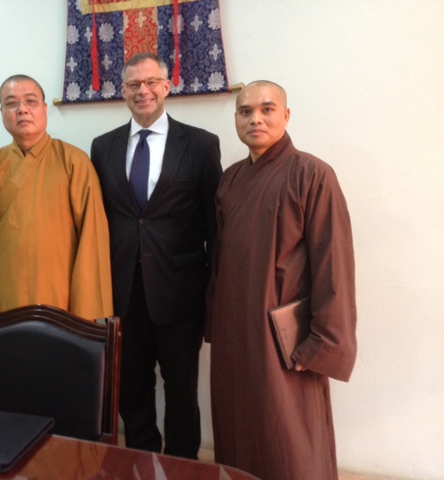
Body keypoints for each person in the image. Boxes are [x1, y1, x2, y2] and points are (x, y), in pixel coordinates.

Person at [206, 80, 357, 479]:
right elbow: (219, 260)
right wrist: (214, 324)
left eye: (267, 109)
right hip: (235, 331)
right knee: (238, 430)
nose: (255, 118)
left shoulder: (313, 174)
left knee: (289, 436)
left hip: (285, 338)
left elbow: (334, 262)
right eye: (245, 112)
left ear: (286, 116)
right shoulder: (230, 179)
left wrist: (323, 341)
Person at [91, 53, 222, 459]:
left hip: (180, 292)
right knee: (131, 390)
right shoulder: (103, 146)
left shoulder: (200, 144)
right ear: (123, 91)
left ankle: (183, 465)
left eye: (151, 82)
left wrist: (213, 296)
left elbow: (213, 229)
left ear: (167, 86)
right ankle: (141, 462)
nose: (142, 91)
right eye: (133, 84)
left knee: (182, 390)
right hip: (122, 293)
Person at [0, 74, 112, 320]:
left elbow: (92, 242)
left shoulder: (74, 162)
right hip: (6, 299)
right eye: (11, 103)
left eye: (31, 101)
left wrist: (85, 313)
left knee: (59, 357)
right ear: (2, 111)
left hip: (62, 299)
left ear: (45, 109)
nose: (22, 109)